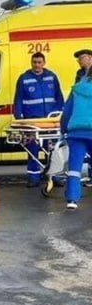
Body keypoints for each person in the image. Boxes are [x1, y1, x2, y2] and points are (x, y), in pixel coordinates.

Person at [13, 53, 64, 187]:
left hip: (49, 121)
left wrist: (60, 114)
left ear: (44, 62)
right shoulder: (24, 79)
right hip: (32, 122)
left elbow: (59, 97)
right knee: (32, 149)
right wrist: (19, 118)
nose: (37, 65)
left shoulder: (51, 77)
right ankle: (33, 177)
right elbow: (18, 99)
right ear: (31, 62)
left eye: (39, 62)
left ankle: (55, 176)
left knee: (53, 149)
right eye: (34, 62)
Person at [62, 52, 92, 209]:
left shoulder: (76, 89)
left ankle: (72, 200)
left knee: (74, 166)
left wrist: (63, 131)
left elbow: (67, 111)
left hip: (76, 132)